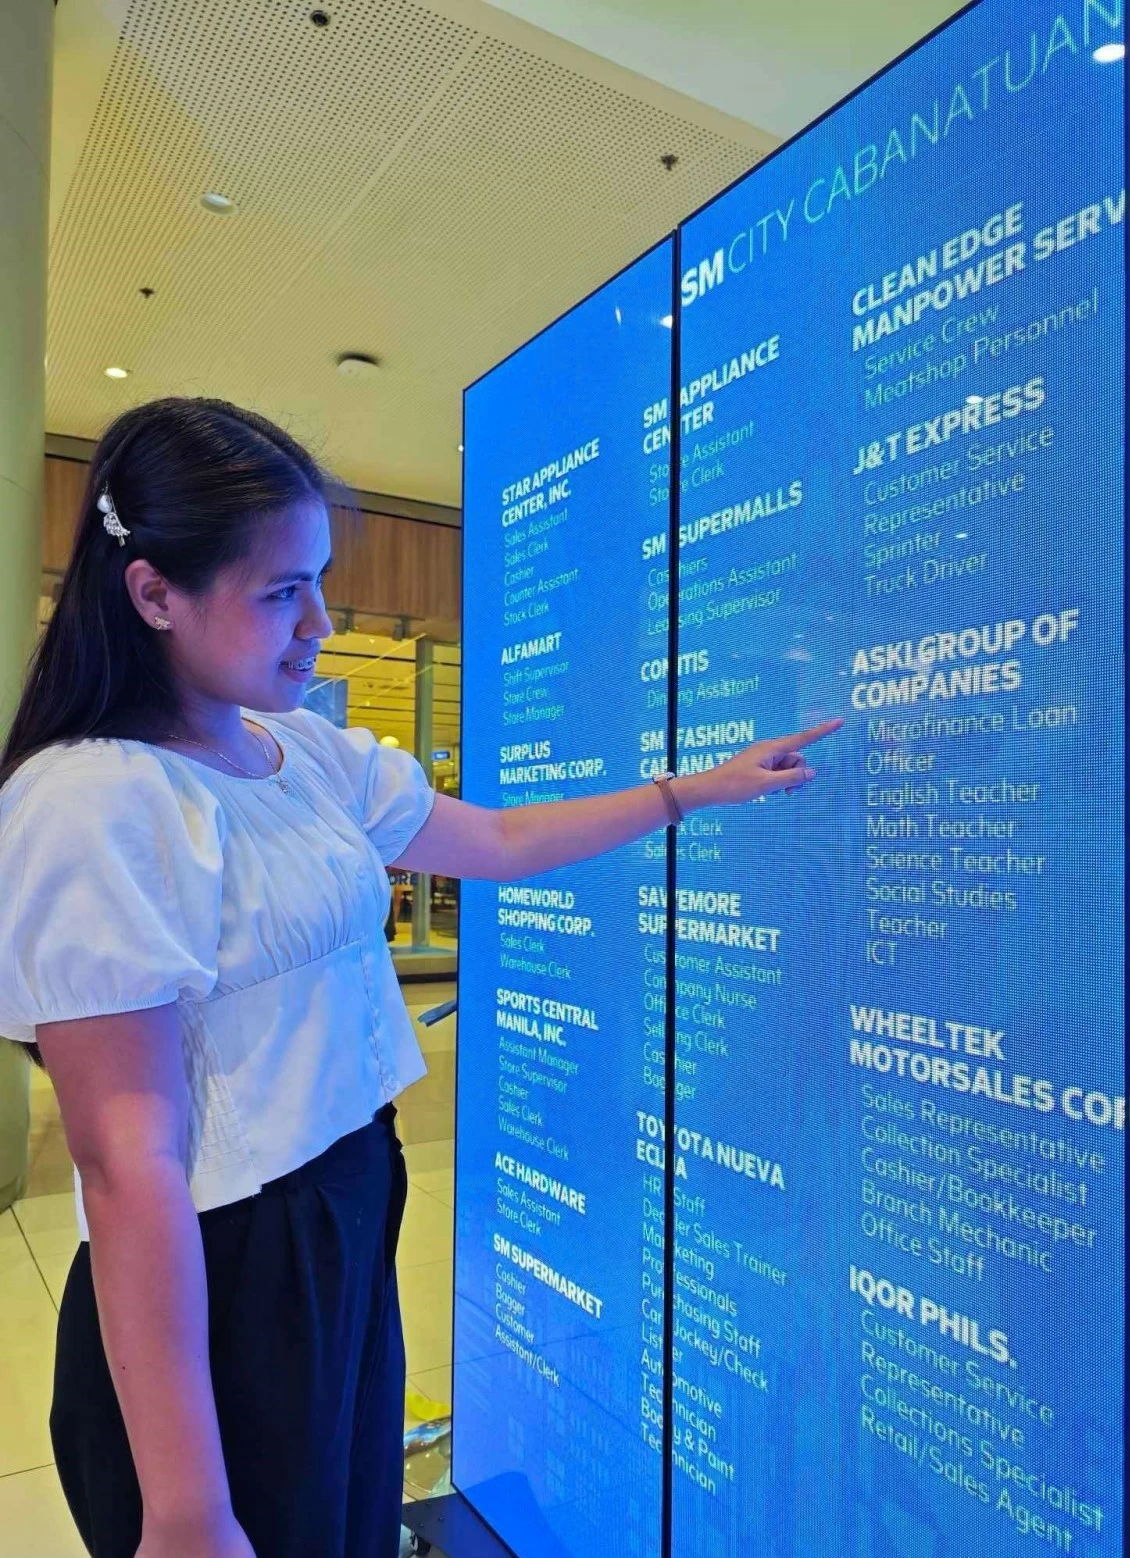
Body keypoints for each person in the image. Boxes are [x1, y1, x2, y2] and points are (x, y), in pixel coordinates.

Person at [0, 398, 841, 1558]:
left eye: (320, 582)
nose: (320, 624)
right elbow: (127, 1162)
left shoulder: (304, 753)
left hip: (349, 1198)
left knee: (344, 1519)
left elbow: (494, 842)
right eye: (282, 590)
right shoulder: (94, 802)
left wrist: (691, 789)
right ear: (153, 594)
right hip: (225, 1263)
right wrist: (186, 1504)